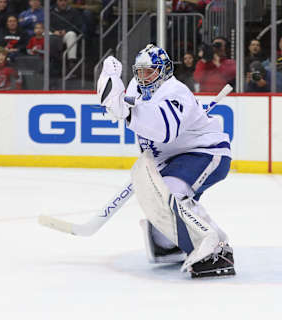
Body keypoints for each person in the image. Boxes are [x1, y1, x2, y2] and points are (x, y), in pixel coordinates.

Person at [96, 45, 235, 278]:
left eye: (149, 71)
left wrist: (129, 114)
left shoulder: (175, 92)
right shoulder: (136, 86)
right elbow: (126, 110)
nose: (143, 77)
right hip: (176, 158)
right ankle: (171, 245)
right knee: (159, 202)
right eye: (139, 72)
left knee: (172, 194)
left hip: (206, 152)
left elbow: (163, 132)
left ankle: (218, 249)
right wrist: (113, 99)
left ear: (164, 70)